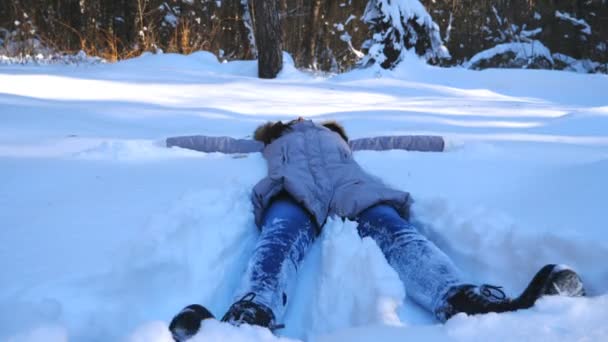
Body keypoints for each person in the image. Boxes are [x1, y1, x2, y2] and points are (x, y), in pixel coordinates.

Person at [167, 118, 585, 342]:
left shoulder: (341, 141)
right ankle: (248, 317)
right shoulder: (271, 142)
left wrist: (446, 142)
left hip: (353, 186)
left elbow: (392, 139)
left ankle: (464, 299)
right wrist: (166, 141)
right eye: (295, 119)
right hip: (292, 187)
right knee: (277, 241)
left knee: (397, 232)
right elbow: (220, 143)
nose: (304, 120)